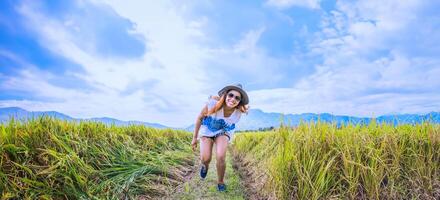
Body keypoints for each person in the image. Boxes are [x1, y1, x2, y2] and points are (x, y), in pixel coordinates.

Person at [191, 83, 249, 192]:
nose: (233, 99)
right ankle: (205, 166)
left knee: (221, 156)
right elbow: (199, 118)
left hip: (223, 131)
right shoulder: (212, 103)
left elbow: (230, 125)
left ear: (239, 101)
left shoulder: (237, 113)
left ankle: (221, 182)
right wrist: (194, 138)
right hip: (207, 130)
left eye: (237, 98)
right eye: (231, 95)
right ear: (226, 95)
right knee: (206, 158)